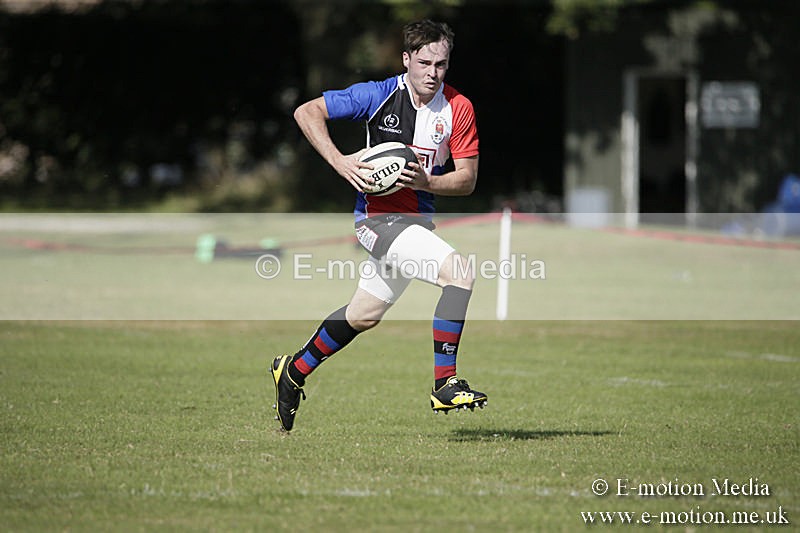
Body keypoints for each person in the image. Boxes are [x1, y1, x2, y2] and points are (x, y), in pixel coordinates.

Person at [271, 19, 487, 432]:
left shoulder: (459, 108)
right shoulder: (378, 94)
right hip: (376, 220)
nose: (433, 73)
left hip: (416, 225)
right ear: (406, 59)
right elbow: (307, 111)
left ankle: (293, 370)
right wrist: (341, 161)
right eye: (424, 62)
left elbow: (467, 180)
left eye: (441, 64)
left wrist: (429, 181)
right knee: (459, 272)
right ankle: (445, 383)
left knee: (364, 314)